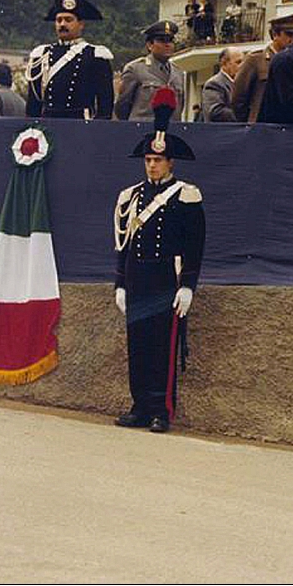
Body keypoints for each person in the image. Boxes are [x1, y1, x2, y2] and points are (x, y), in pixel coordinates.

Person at [113, 88, 205, 434]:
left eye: (158, 160)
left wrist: (188, 286)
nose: (152, 164)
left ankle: (160, 411)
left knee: (163, 351)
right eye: (148, 159)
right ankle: (139, 405)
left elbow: (195, 244)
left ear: (171, 162)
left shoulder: (186, 194)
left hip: (167, 280)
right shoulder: (131, 196)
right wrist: (120, 283)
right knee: (137, 347)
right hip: (138, 281)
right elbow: (123, 244)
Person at [26, 0, 115, 120]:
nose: (62, 24)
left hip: (81, 125)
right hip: (48, 124)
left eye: (68, 20)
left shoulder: (95, 55)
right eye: (59, 20)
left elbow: (105, 104)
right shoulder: (41, 54)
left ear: (81, 24)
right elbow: (33, 104)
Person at [231, 13, 293, 122]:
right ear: (275, 34)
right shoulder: (255, 59)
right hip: (262, 124)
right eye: (288, 34)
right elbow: (238, 97)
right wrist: (249, 120)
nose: (292, 39)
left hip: (287, 124)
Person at [115, 21, 186, 122]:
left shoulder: (179, 73)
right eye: (162, 40)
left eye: (170, 40)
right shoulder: (135, 69)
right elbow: (122, 107)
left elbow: (180, 106)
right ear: (149, 45)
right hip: (142, 131)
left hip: (171, 132)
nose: (167, 45)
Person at [200, 48, 244, 123]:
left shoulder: (243, 83)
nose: (242, 66)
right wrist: (244, 115)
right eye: (238, 62)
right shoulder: (214, 84)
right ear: (224, 64)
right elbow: (216, 112)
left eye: (244, 62)